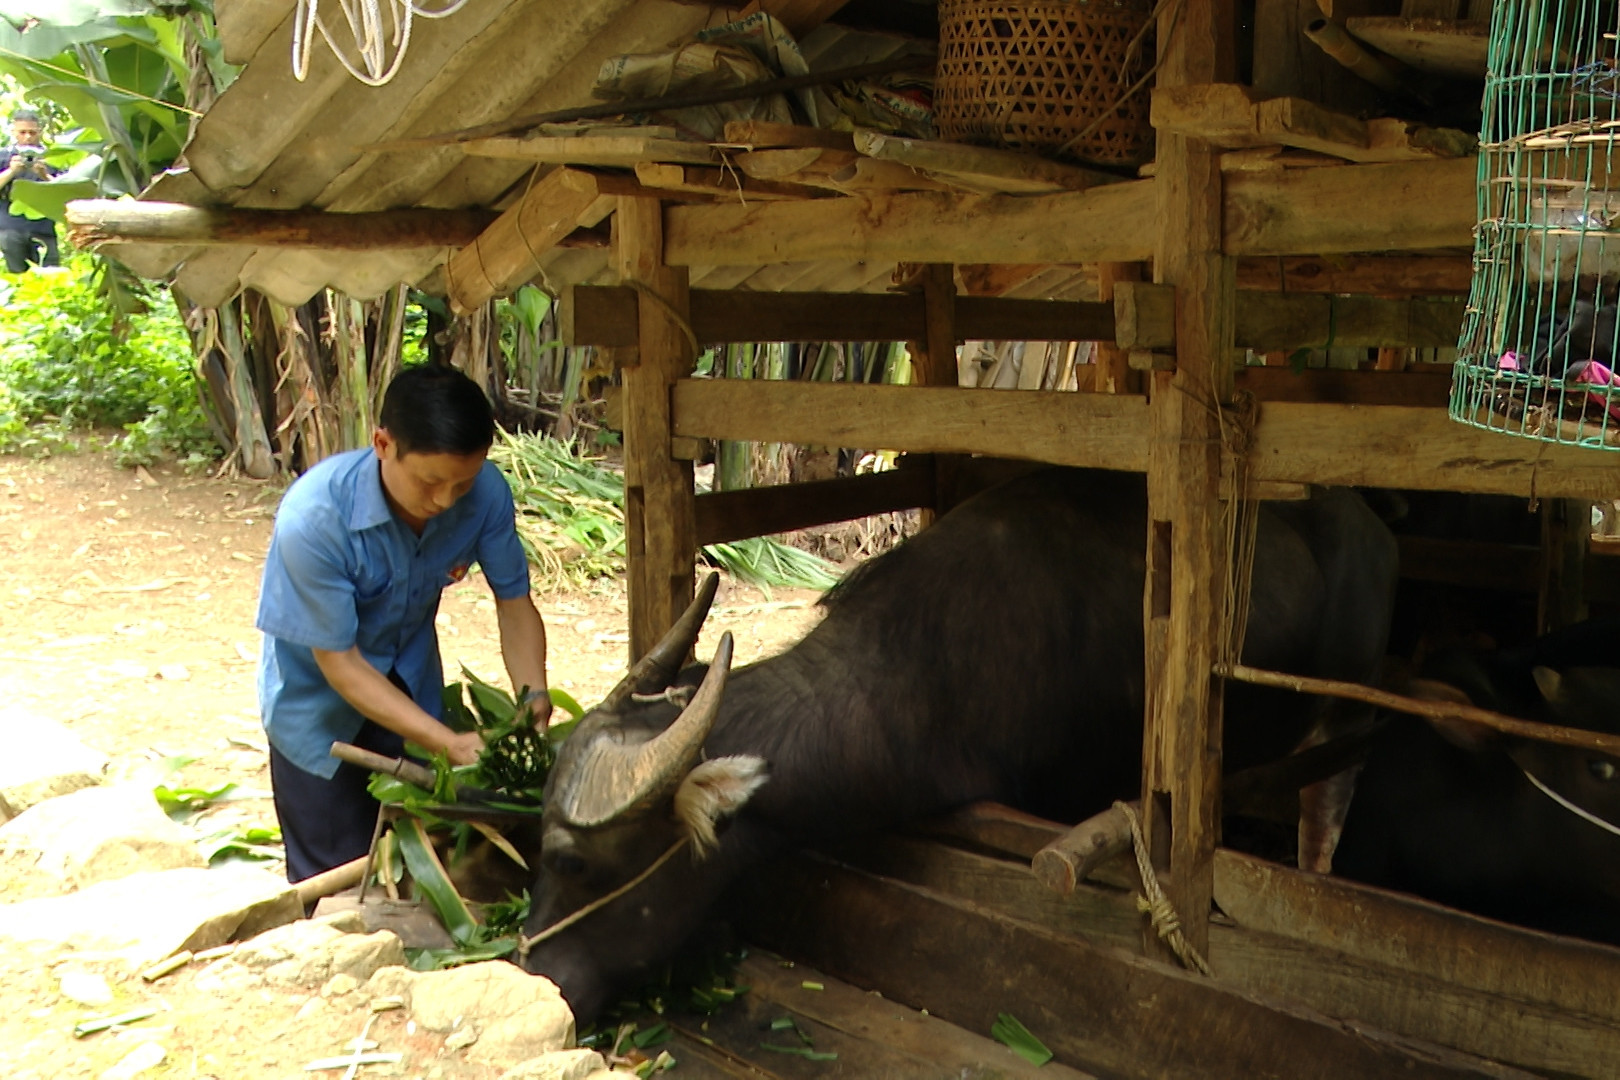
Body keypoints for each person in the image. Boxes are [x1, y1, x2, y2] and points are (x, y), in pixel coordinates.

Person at [256, 364, 549, 882]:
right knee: (337, 883)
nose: (444, 501)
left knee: (420, 863)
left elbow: (514, 602)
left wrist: (533, 694)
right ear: (383, 444)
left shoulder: (485, 495)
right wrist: (451, 744)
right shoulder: (315, 520)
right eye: (431, 481)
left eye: (463, 482)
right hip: (317, 715)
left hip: (413, 695)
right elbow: (341, 666)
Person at [0, 110, 59, 273]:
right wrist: (11, 171)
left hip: (44, 228)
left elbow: (66, 192)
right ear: (13, 132)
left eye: (32, 132)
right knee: (18, 278)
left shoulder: (53, 157)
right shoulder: (3, 156)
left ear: (39, 132)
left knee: (50, 277)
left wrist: (45, 175)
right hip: (10, 228)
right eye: (22, 132)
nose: (27, 137)